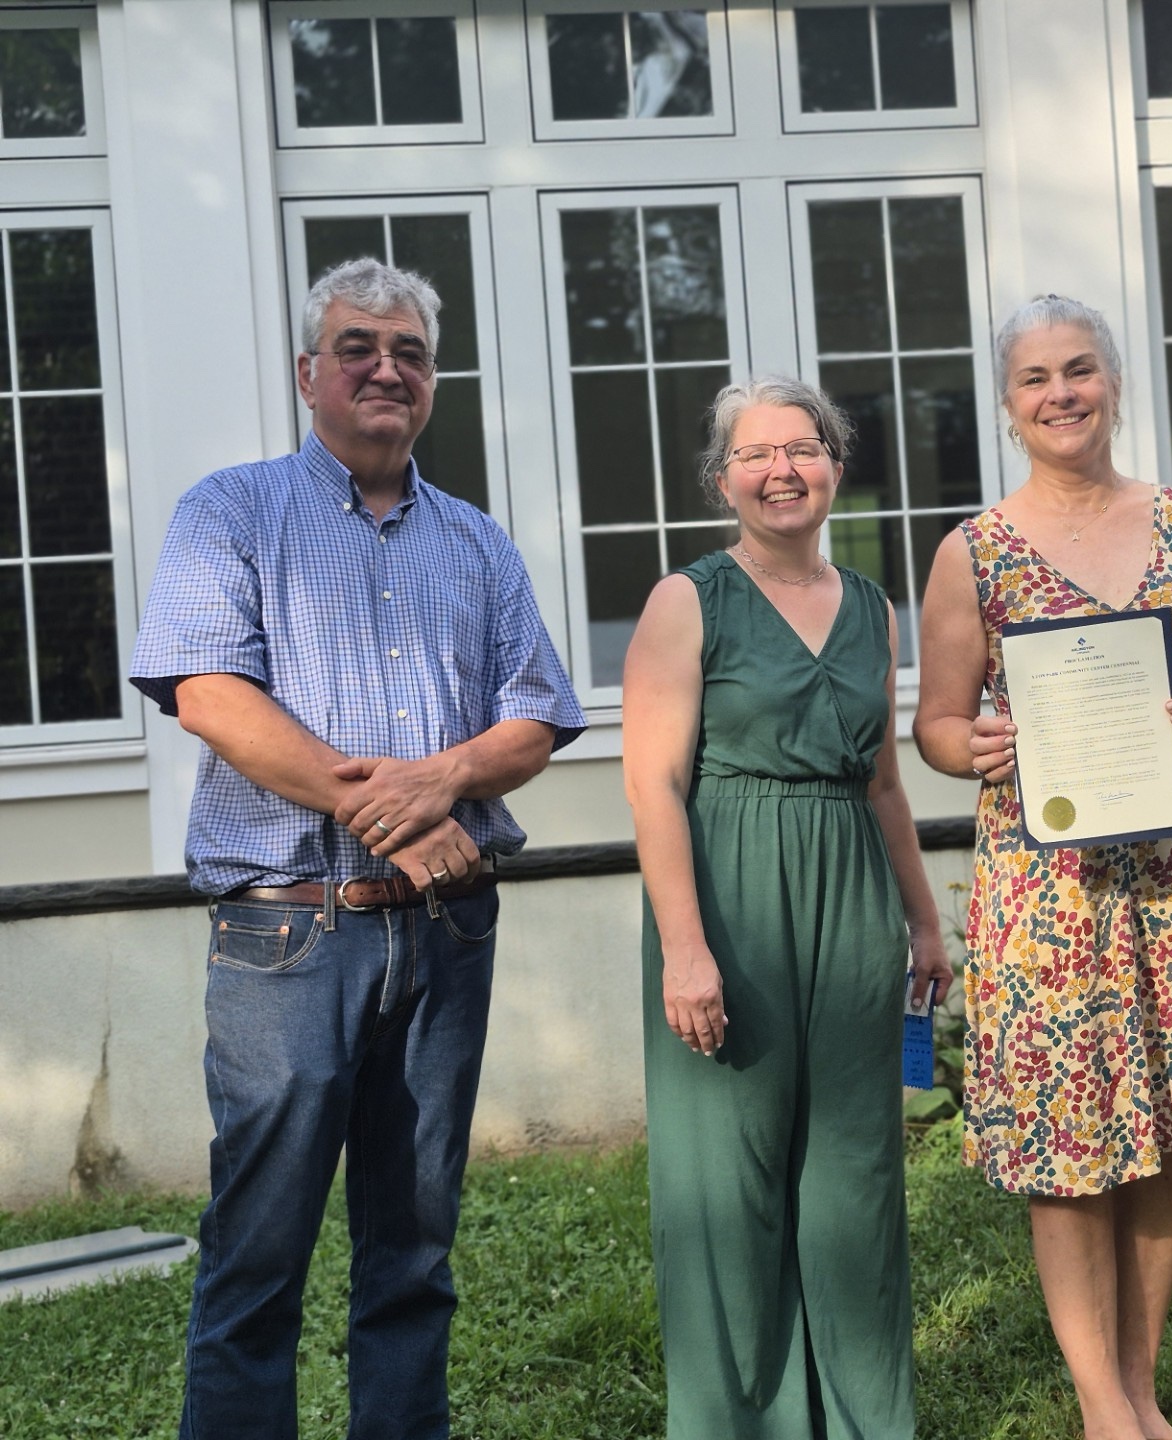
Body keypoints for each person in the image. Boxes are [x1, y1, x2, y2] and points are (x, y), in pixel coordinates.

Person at [130, 257, 585, 1440]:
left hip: (447, 934)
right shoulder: (229, 512)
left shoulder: (477, 542)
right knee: (258, 1252)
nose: (387, 368)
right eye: (358, 347)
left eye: (410, 352)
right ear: (307, 373)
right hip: (289, 934)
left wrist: (443, 784)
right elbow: (209, 696)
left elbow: (537, 716)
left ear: (433, 380)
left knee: (414, 1251)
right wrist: (396, 815)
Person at [916, 294, 1172, 1440]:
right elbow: (935, 725)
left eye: (1079, 369)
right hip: (1051, 895)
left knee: (1161, 1135)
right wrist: (972, 747)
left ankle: (1140, 1387)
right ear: (1008, 404)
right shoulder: (972, 552)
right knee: (1067, 1146)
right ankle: (1103, 1409)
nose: (1061, 393)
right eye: (1035, 378)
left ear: (1114, 385)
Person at [621, 376, 952, 1440]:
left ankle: (864, 1419)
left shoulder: (872, 609)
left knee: (854, 1176)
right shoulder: (687, 602)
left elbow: (884, 782)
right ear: (722, 480)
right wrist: (685, 950)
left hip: (852, 899)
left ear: (835, 466)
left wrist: (924, 922)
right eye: (755, 455)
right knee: (731, 1179)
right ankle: (738, 1423)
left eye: (802, 449)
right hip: (730, 901)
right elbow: (653, 786)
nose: (782, 471)